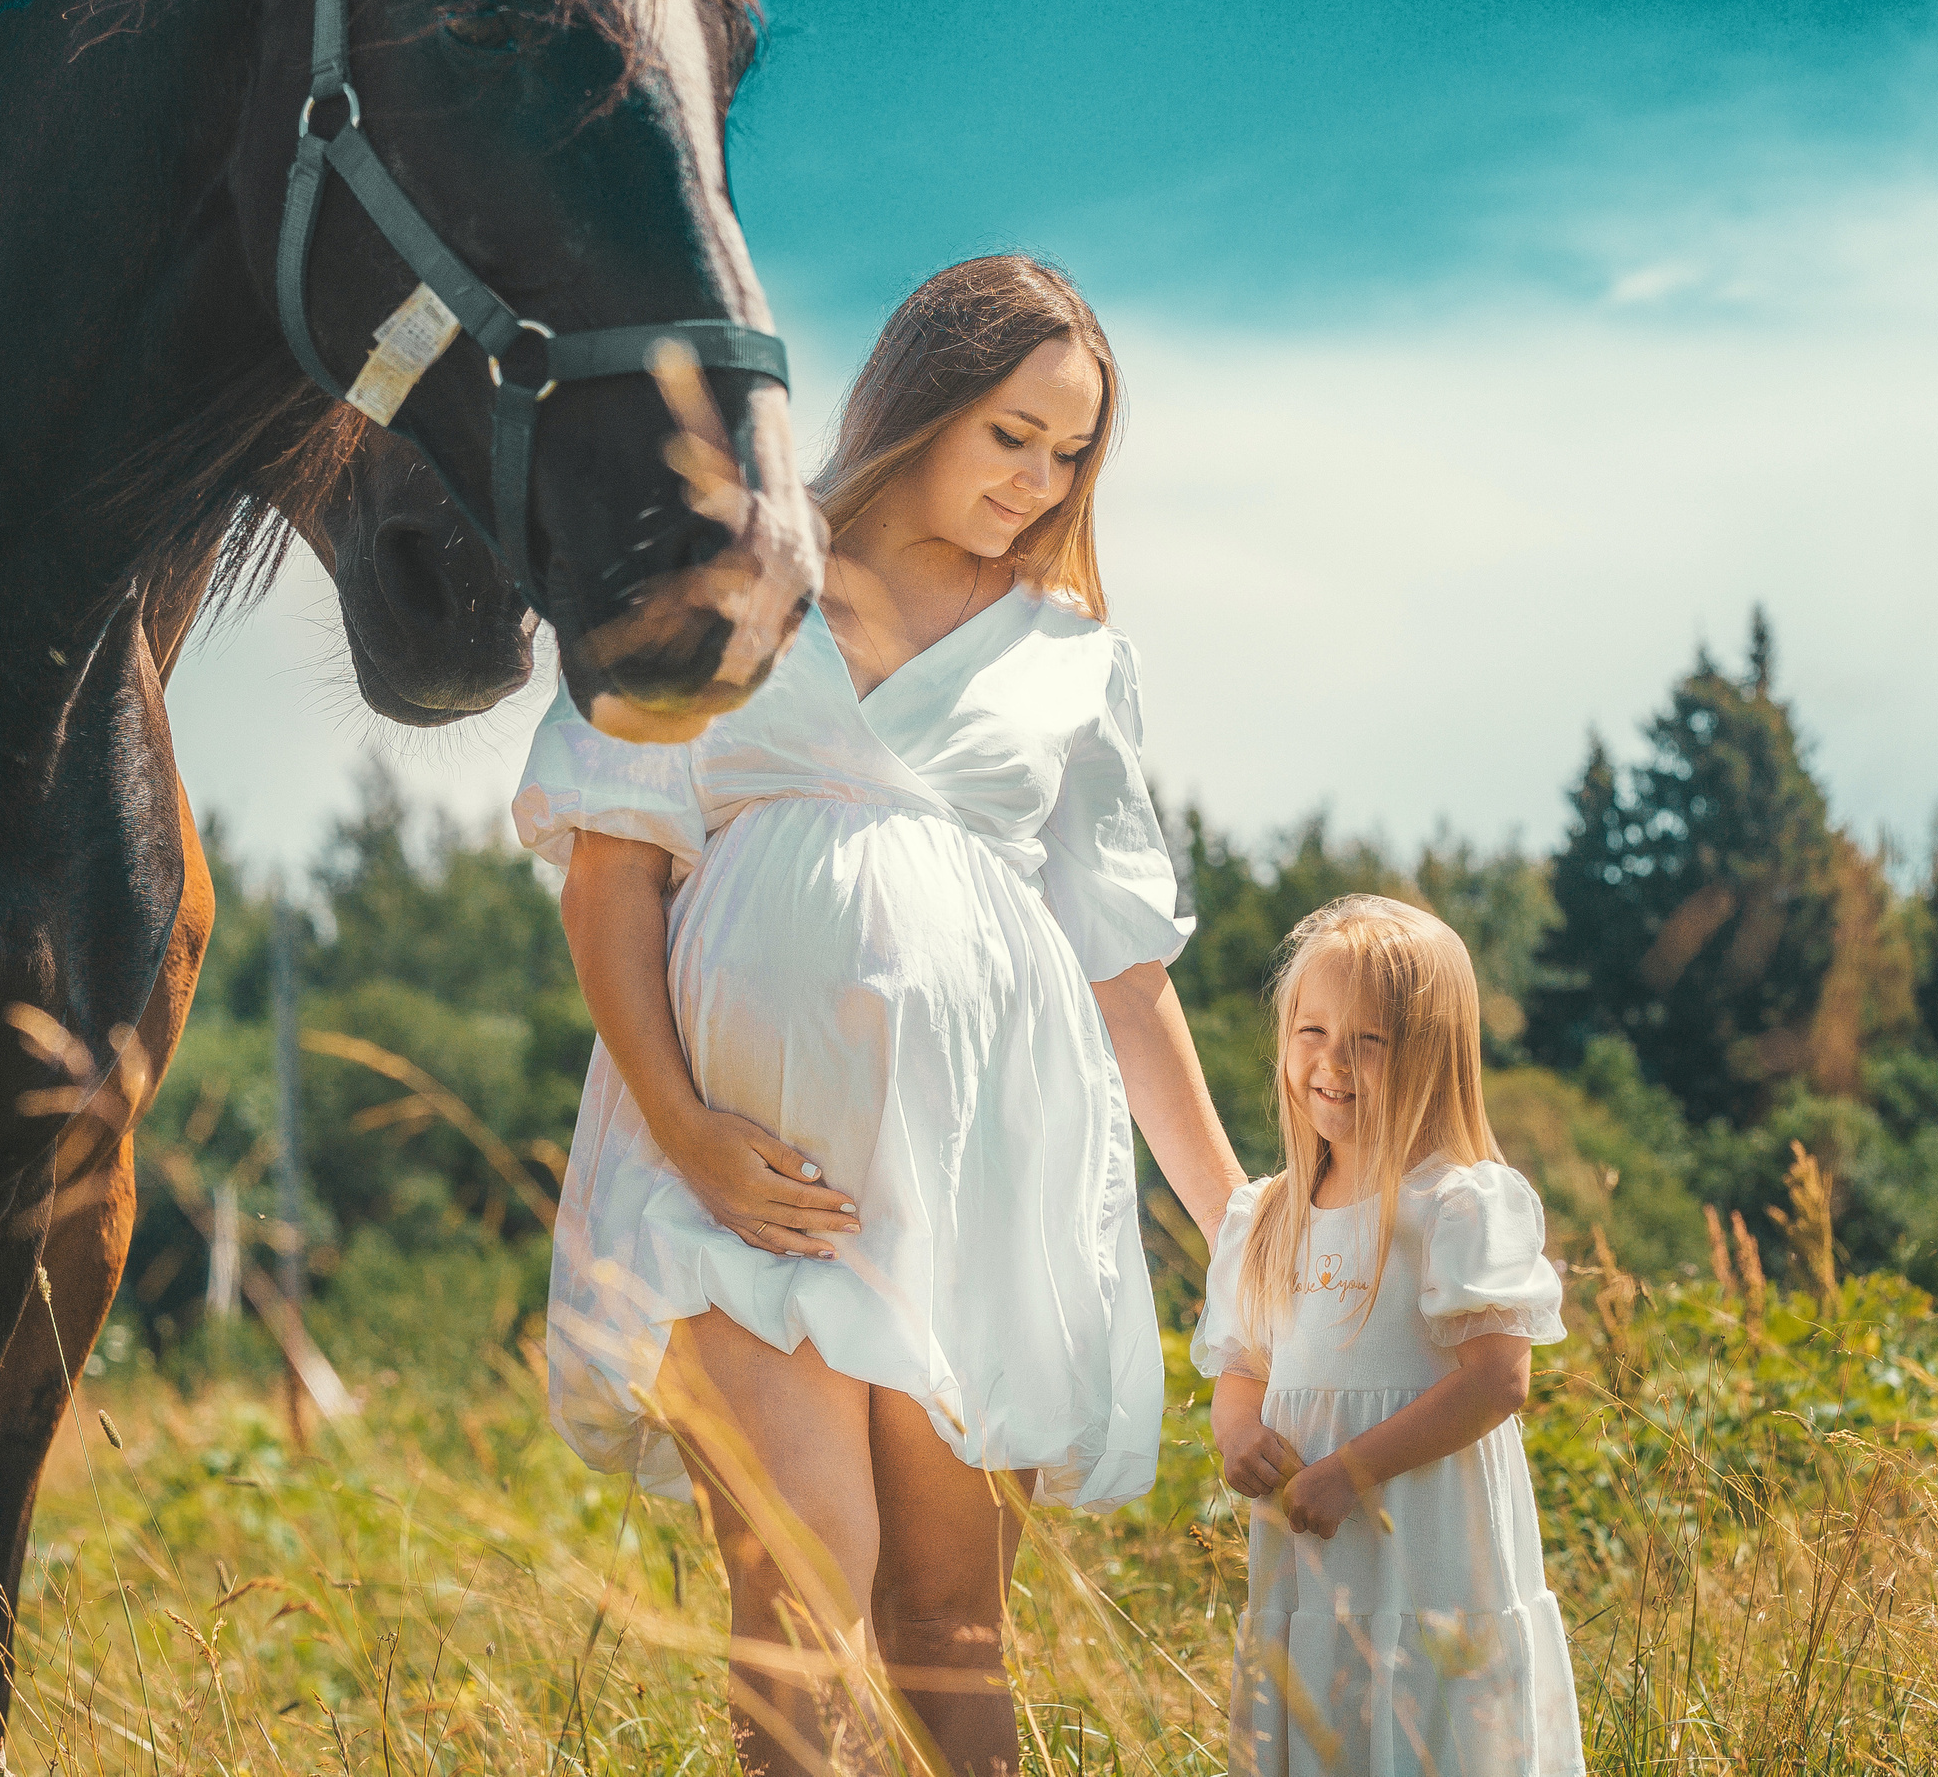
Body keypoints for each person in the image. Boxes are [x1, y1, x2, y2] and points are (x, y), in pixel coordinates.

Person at [514, 254, 1246, 1777]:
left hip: (970, 1183)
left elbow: (1124, 971)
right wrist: (690, 1133)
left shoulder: (1070, 657)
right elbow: (610, 877)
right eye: (1011, 435)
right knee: (801, 1585)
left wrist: (1240, 1218)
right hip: (742, 1179)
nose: (1037, 482)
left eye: (1069, 454)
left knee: (948, 1634)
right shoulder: (714, 567)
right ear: (921, 400)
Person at [1194, 895, 1583, 1776]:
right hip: (1313, 1564)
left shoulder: (1455, 1203)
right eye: (1311, 1029)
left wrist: (1347, 1471)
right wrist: (1238, 1435)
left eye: (1368, 1040)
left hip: (1427, 1554)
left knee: (1429, 1732)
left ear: (1431, 1053)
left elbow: (1497, 1380)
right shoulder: (1268, 1216)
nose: (1331, 1061)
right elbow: (1244, 1368)